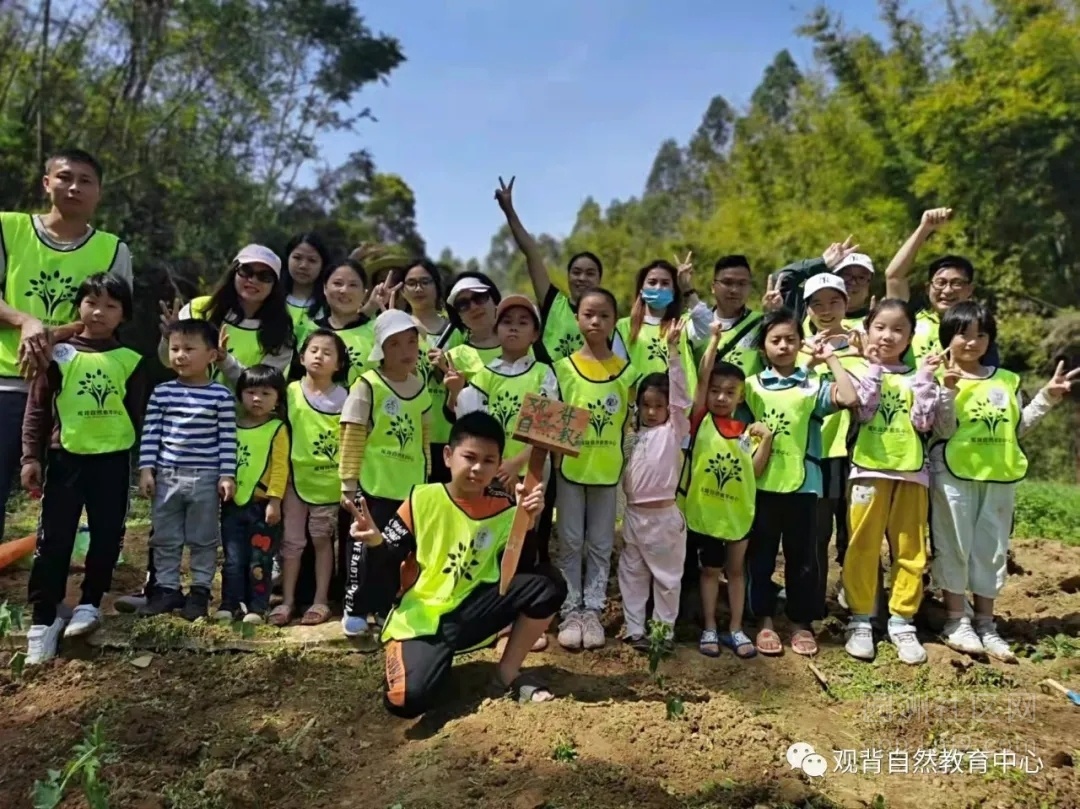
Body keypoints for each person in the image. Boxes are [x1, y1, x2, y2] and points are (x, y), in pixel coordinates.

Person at [347, 411, 565, 718]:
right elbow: (388, 566)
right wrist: (375, 544)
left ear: (499, 465)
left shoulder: (504, 506)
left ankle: (506, 674)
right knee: (406, 701)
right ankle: (418, 657)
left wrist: (526, 522)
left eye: (488, 461)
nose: (478, 468)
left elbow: (521, 571)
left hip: (474, 610)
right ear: (448, 456)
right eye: (470, 457)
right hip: (423, 618)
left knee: (548, 584)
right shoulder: (422, 500)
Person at [930, 302, 1076, 661]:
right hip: (953, 473)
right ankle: (955, 621)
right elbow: (942, 429)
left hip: (999, 475)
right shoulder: (935, 376)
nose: (972, 342)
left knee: (991, 549)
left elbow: (1016, 429)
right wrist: (947, 390)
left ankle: (986, 624)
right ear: (948, 337)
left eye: (981, 334)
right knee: (954, 544)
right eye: (963, 334)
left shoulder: (1007, 380)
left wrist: (1046, 398)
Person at [0, 148, 132, 541]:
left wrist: (54, 334)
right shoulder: (8, 228)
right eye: (64, 177)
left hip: (75, 392)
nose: (74, 187)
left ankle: (54, 575)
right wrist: (25, 321)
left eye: (85, 180)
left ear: (99, 192)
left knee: (66, 498)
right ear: (47, 183)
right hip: (8, 381)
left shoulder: (113, 249)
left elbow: (114, 319)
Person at [21, 273, 145, 664]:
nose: (99, 312)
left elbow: (139, 416)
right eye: (92, 302)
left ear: (123, 315)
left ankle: (90, 602)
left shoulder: (130, 361)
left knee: (107, 534)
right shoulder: (58, 355)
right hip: (65, 459)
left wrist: (145, 464)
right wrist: (30, 457)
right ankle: (44, 619)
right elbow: (38, 409)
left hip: (113, 461)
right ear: (79, 306)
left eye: (111, 306)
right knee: (54, 538)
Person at [742, 309, 858, 656]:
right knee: (760, 556)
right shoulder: (752, 386)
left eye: (790, 339)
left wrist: (830, 359)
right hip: (761, 484)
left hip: (805, 485)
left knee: (803, 558)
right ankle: (763, 619)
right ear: (763, 347)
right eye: (775, 340)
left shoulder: (812, 385)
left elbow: (849, 398)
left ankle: (800, 623)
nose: (783, 346)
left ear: (800, 343)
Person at [843, 299, 940, 665]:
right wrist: (873, 368)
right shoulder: (858, 370)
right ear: (867, 330)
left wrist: (926, 380)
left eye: (898, 329)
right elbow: (864, 411)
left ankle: (902, 620)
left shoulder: (919, 375)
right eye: (880, 327)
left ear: (911, 336)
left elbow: (923, 422)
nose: (888, 335)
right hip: (869, 470)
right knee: (862, 546)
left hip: (912, 473)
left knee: (911, 549)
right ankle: (860, 619)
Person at [552, 288, 639, 651]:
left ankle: (593, 609)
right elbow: (553, 426)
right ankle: (570, 610)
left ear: (614, 321)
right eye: (588, 314)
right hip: (570, 471)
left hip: (608, 472)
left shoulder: (627, 373)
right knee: (571, 541)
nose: (595, 321)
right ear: (577, 318)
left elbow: (630, 426)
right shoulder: (562, 369)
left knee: (601, 544)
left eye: (604, 315)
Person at [339, 310, 432, 637]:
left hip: (408, 489)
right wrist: (348, 483)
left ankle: (383, 608)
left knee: (396, 551)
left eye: (411, 342)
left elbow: (423, 442)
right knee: (363, 549)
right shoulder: (367, 385)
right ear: (381, 348)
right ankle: (355, 608)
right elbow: (352, 435)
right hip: (373, 485)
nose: (406, 350)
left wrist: (425, 485)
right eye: (395, 344)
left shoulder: (420, 388)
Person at [137, 319, 237, 620]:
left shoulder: (221, 396)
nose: (180, 355)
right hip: (167, 475)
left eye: (189, 349)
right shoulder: (162, 392)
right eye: (175, 349)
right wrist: (146, 469)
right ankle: (167, 590)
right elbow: (151, 433)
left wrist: (227, 475)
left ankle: (200, 592)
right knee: (165, 537)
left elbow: (227, 438)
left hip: (205, 478)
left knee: (203, 538)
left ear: (211, 355)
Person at [685, 326, 773, 659]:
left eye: (730, 392)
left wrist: (767, 440)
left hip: (737, 515)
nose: (721, 398)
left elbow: (755, 471)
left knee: (735, 572)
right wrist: (714, 341)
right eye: (716, 391)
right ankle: (709, 626)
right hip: (707, 515)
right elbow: (702, 377)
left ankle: (735, 628)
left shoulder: (747, 433)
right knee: (710, 571)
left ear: (741, 397)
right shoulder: (700, 421)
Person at [617, 323, 691, 651]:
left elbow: (680, 397)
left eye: (658, 406)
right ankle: (635, 630)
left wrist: (673, 352)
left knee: (667, 579)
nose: (651, 411)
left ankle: (663, 633)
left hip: (664, 519)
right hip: (634, 517)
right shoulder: (630, 436)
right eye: (645, 405)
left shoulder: (674, 430)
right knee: (632, 574)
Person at [271, 330, 350, 627]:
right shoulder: (289, 392)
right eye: (313, 350)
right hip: (294, 481)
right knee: (291, 542)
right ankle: (288, 600)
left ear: (339, 364)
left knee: (322, 540)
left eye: (328, 353)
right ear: (301, 357)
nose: (319, 356)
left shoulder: (347, 397)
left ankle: (321, 600)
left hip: (329, 483)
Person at [800, 274, 867, 597]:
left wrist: (866, 356)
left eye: (834, 302)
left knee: (856, 533)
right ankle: (814, 604)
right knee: (816, 534)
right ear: (807, 310)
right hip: (819, 454)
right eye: (817, 304)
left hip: (860, 454)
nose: (826, 310)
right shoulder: (799, 348)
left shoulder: (864, 343)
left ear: (846, 303)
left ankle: (858, 601)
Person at [493, 176, 600, 364]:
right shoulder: (554, 304)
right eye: (576, 272)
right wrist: (509, 211)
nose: (582, 278)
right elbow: (532, 253)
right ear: (568, 277)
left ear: (599, 280)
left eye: (590, 273)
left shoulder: (605, 317)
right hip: (547, 381)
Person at [158, 244, 294, 387]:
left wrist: (225, 361)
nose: (253, 280)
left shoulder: (281, 332)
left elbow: (263, 387)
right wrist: (168, 339)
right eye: (246, 271)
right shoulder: (200, 309)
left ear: (275, 285)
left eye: (264, 276)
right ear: (233, 273)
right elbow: (167, 361)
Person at [216, 365, 290, 624]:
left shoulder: (277, 428)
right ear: (240, 394)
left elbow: (280, 467)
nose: (257, 399)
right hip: (232, 505)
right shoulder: (231, 426)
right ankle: (230, 603)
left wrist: (275, 501)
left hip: (262, 506)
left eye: (265, 393)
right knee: (233, 559)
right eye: (251, 392)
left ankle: (257, 607)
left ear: (278, 398)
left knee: (259, 560)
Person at [883, 207, 1000, 367]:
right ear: (928, 288)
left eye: (957, 283)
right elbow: (894, 276)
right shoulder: (908, 320)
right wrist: (924, 229)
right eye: (941, 282)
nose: (947, 290)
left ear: (969, 290)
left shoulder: (980, 329)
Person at [395, 259, 451, 481]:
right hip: (406, 431)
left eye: (425, 282)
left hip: (447, 433)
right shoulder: (395, 328)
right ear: (402, 290)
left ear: (437, 286)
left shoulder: (456, 329)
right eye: (411, 283)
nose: (418, 288)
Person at [614, 259, 698, 397]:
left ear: (674, 290)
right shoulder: (623, 327)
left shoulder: (685, 323)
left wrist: (687, 287)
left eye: (665, 283)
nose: (658, 288)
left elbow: (707, 326)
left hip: (680, 408)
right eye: (652, 282)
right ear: (641, 289)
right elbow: (617, 375)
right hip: (639, 407)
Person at [305, 259, 374, 386]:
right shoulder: (306, 330)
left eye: (353, 285)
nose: (344, 290)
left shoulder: (377, 332)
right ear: (325, 288)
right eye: (338, 283)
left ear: (365, 292)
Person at [283, 232, 333, 334]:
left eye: (312, 260)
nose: (303, 266)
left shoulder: (331, 305)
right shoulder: (269, 298)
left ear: (323, 265)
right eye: (297, 258)